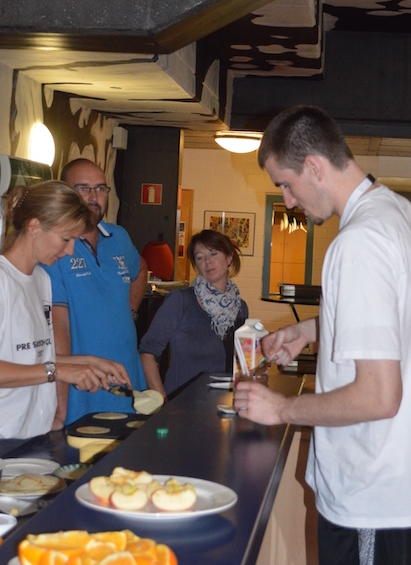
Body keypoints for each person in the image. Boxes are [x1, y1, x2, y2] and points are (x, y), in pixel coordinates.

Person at [233, 106, 411, 565]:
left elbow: (378, 396)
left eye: (285, 185)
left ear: (314, 166)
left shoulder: (357, 242)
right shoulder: (397, 211)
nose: (288, 200)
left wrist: (281, 409)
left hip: (374, 490)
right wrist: (313, 329)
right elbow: (398, 314)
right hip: (403, 477)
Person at [0, 181, 131, 439]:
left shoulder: (41, 279)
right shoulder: (3, 280)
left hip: (33, 434)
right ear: (34, 227)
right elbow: (45, 368)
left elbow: (29, 356)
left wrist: (89, 362)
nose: (70, 251)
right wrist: (59, 371)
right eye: (66, 239)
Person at [43, 158, 148, 425]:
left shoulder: (119, 237)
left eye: (100, 188)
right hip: (84, 390)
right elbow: (59, 327)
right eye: (83, 188)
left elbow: (140, 269)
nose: (93, 197)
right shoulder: (55, 248)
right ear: (64, 192)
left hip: (127, 380)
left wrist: (131, 311)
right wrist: (60, 407)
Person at [139, 229, 248, 398]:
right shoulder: (180, 301)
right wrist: (162, 403)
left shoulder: (241, 307)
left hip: (224, 403)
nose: (208, 261)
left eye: (213, 253)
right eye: (200, 257)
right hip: (181, 405)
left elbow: (242, 361)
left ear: (229, 258)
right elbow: (147, 353)